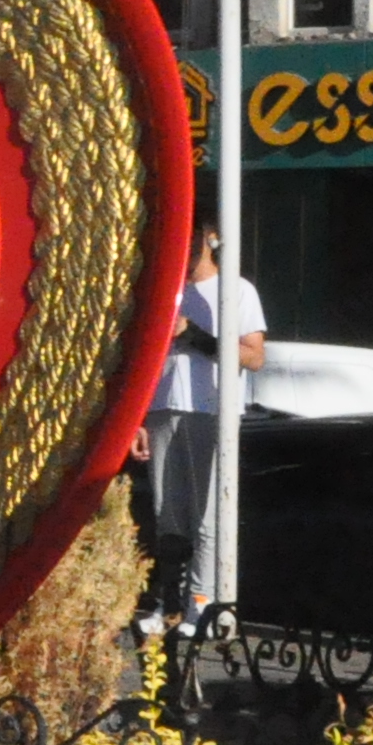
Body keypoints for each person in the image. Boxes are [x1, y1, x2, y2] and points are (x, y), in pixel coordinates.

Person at [139, 214, 267, 615]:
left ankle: (203, 604)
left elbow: (253, 356)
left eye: (194, 237)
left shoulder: (236, 291)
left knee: (207, 514)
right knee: (167, 514)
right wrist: (138, 418)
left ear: (211, 240)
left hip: (208, 409)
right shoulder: (165, 289)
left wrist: (195, 336)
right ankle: (170, 603)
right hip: (162, 407)